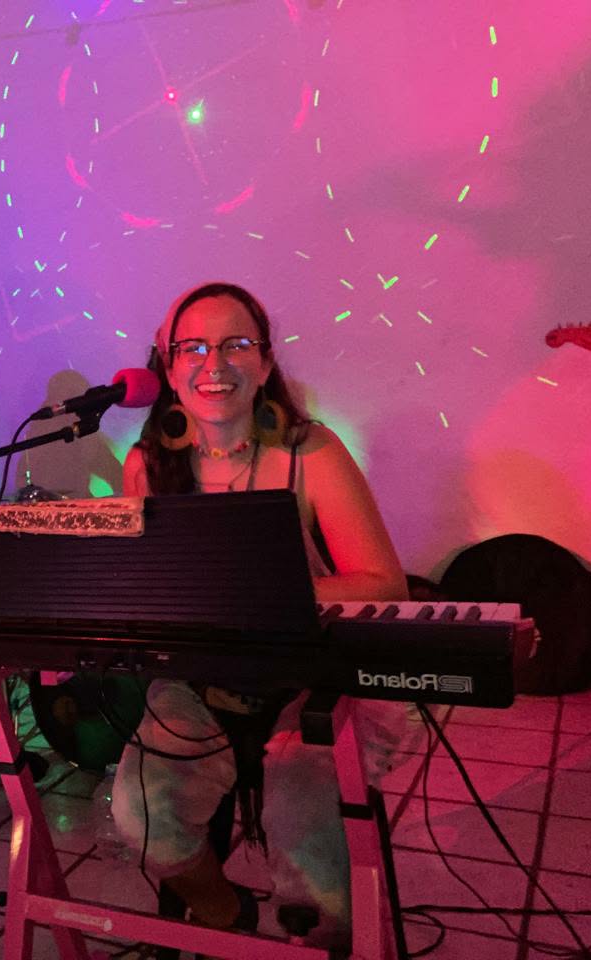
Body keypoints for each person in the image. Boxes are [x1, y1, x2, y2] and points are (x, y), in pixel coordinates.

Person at [110, 282, 409, 949]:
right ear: (168, 369)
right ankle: (227, 917)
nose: (213, 365)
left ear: (266, 363)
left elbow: (385, 583)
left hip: (314, 675)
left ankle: (327, 940)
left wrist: (266, 596)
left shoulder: (312, 451)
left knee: (303, 817)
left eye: (236, 345)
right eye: (193, 348)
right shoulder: (146, 464)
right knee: (141, 811)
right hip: (200, 681)